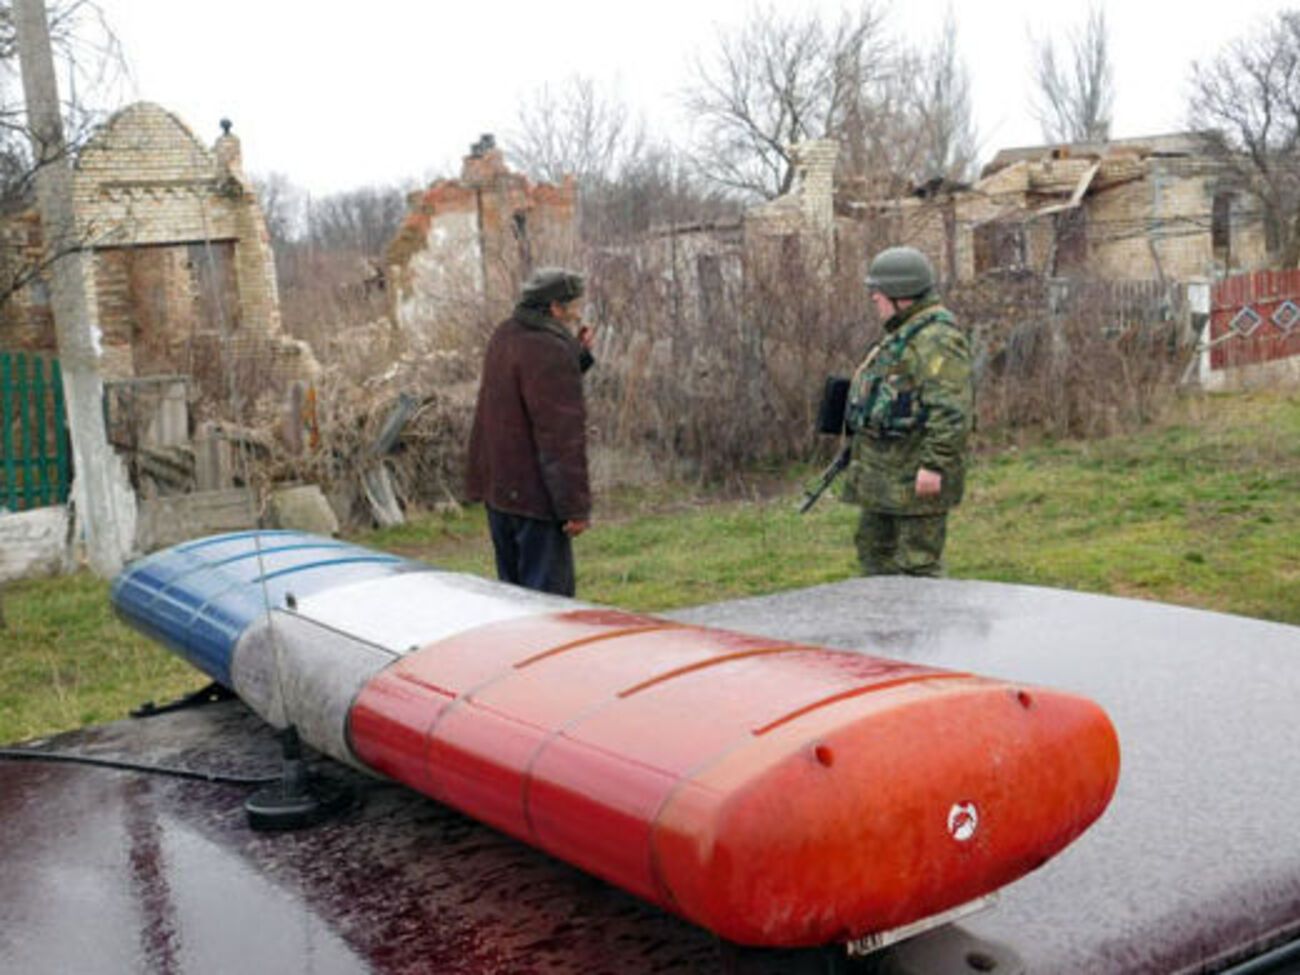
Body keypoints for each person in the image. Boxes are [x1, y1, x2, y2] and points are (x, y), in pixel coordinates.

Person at [839, 246, 974, 577]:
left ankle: (925, 630)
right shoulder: (905, 334)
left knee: (917, 567)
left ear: (902, 294)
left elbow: (951, 410)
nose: (873, 298)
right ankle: (882, 629)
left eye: (879, 291)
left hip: (914, 476)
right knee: (874, 555)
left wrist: (934, 466)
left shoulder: (937, 339)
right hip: (885, 476)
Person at [465, 267, 595, 596]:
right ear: (554, 308)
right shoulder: (549, 349)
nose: (577, 311)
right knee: (549, 613)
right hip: (535, 501)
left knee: (514, 607)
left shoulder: (504, 334)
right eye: (573, 304)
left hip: (501, 495)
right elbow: (561, 435)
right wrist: (575, 508)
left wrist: (575, 355)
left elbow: (524, 389)